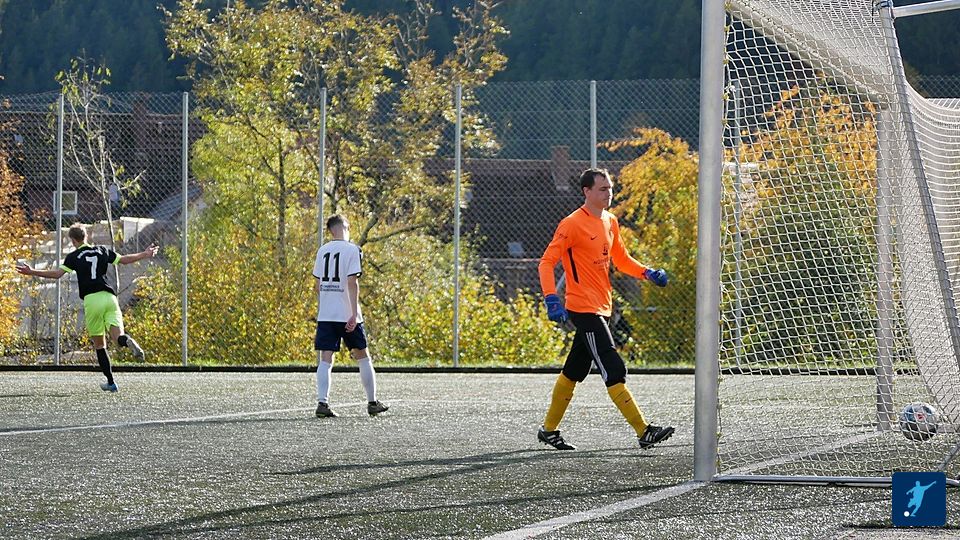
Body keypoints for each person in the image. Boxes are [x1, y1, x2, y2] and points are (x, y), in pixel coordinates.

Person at [536, 168, 674, 450]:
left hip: (603, 307)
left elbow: (621, 259)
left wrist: (647, 272)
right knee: (613, 366)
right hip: (583, 308)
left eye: (610, 188)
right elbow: (546, 263)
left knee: (574, 370)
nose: (608, 193)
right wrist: (551, 298)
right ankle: (644, 431)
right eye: (602, 189)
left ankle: (549, 430)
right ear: (586, 191)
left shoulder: (610, 221)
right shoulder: (571, 224)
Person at [16, 223, 157, 392]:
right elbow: (124, 260)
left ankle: (111, 382)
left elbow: (57, 274)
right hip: (109, 298)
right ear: (86, 236)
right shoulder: (102, 250)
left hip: (92, 300)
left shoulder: (74, 256)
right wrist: (145, 254)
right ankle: (127, 340)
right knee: (118, 337)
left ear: (73, 240)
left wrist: (33, 271)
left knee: (100, 345)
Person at [312, 214, 388, 418]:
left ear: (330, 230)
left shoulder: (322, 251)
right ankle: (372, 402)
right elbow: (352, 282)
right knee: (363, 356)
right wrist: (353, 314)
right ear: (345, 227)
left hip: (327, 314)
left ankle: (322, 403)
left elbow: (317, 286)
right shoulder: (353, 249)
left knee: (326, 358)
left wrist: (327, 304)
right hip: (347, 315)